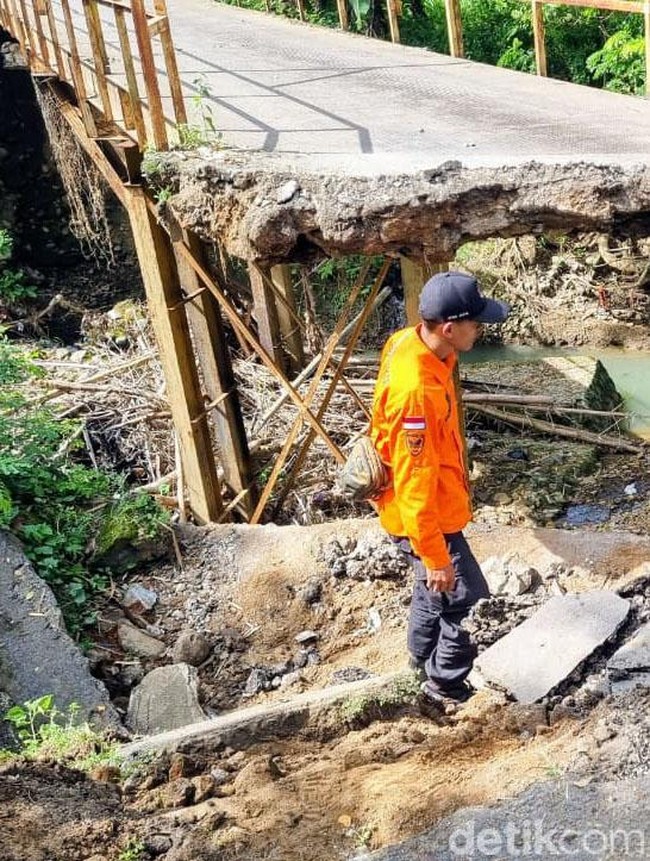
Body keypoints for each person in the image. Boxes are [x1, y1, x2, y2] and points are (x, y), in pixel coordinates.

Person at [370, 270, 510, 706]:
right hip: (424, 516)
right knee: (468, 600)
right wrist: (434, 554)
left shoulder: (409, 343)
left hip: (421, 510)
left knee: (431, 589)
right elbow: (414, 482)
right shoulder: (417, 393)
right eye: (475, 322)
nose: (481, 329)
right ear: (449, 329)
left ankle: (418, 667)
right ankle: (443, 685)